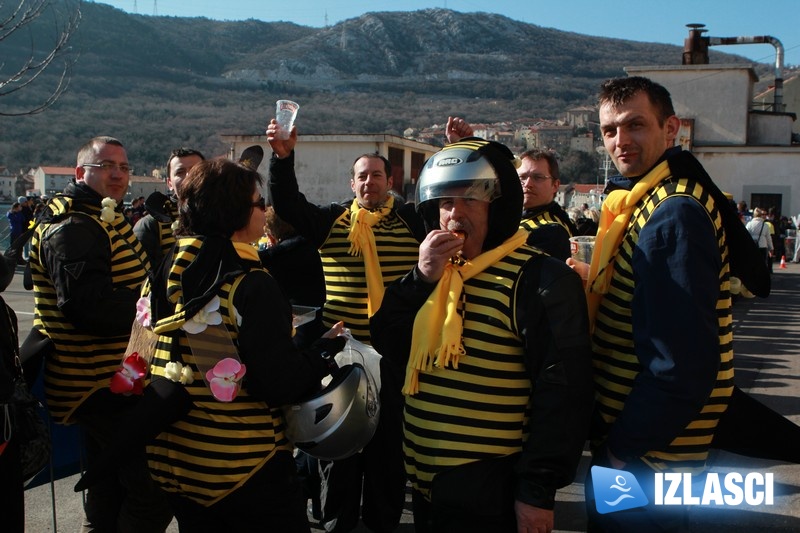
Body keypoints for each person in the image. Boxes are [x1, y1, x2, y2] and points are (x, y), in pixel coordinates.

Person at [370, 138, 594, 532]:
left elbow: (563, 395)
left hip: (490, 485)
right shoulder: (435, 272)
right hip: (427, 484)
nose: (454, 214)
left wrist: (537, 492)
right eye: (444, 202)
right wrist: (420, 278)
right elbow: (387, 342)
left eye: (470, 199)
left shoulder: (539, 278)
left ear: (500, 206)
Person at [577, 76, 765, 532]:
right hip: (647, 448)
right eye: (609, 130)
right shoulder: (646, 200)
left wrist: (620, 450)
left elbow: (681, 364)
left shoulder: (673, 212)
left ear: (671, 128)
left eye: (635, 125)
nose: (621, 141)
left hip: (647, 458)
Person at [140, 158, 344, 531]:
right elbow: (277, 383)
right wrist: (323, 352)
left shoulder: (164, 269)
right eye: (258, 202)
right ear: (234, 211)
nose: (265, 210)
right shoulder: (249, 282)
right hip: (243, 467)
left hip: (176, 463)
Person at [267, 120, 426, 533]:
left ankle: (381, 523)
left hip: (393, 356)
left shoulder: (412, 221)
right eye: (361, 176)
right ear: (351, 183)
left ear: (389, 181)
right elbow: (287, 205)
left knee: (388, 451)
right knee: (337, 449)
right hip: (341, 354)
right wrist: (283, 159)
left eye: (376, 175)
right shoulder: (331, 221)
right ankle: (337, 522)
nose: (369, 182)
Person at [25, 136, 173, 532]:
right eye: (107, 166)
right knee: (151, 490)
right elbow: (85, 306)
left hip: (120, 377)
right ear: (81, 173)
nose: (118, 174)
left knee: (109, 482)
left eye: (124, 167)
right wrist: (157, 307)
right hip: (96, 384)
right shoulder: (74, 225)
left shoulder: (101, 216)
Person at [134, 147, 205, 268]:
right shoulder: (151, 225)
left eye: (196, 170)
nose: (189, 176)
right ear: (169, 183)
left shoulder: (227, 219)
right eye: (180, 172)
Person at [517, 149, 577, 260]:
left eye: (538, 178)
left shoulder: (551, 231)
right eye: (522, 177)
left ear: (555, 185)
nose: (528, 184)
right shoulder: (516, 217)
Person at [746, 207, 774, 272]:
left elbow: (746, 236)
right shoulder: (765, 225)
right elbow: (768, 238)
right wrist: (771, 248)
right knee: (762, 263)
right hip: (763, 246)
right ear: (761, 215)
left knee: (752, 262)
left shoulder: (749, 224)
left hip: (752, 246)